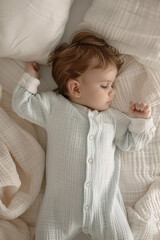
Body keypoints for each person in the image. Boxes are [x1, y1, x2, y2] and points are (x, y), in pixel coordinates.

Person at [12, 31, 155, 240]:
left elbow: (131, 143)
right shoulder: (54, 106)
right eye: (105, 85)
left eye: (112, 85)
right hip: (60, 208)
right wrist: (30, 79)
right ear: (75, 87)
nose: (112, 92)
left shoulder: (113, 119)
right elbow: (22, 104)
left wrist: (140, 121)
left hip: (104, 207)